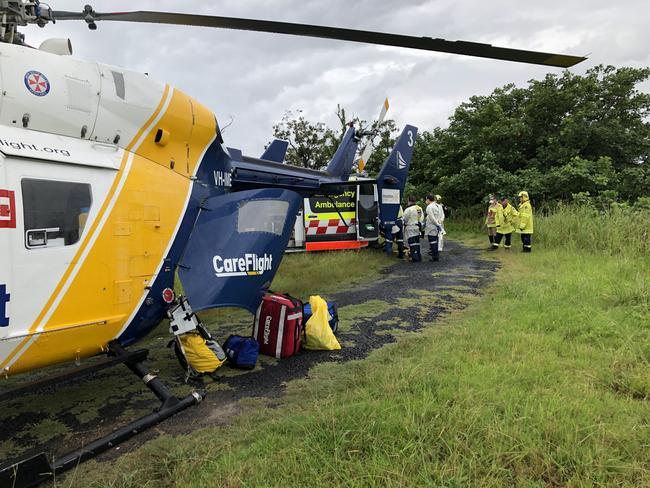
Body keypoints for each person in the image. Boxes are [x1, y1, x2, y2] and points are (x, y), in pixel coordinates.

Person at [402, 195, 424, 262]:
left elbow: (405, 219)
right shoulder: (419, 208)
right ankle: (419, 256)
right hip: (418, 227)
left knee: (412, 243)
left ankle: (414, 258)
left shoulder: (408, 209)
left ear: (409, 201)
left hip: (410, 227)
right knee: (417, 242)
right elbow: (422, 217)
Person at [425, 194, 444, 261]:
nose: (425, 201)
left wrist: (437, 224)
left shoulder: (429, 207)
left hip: (432, 226)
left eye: (426, 199)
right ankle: (436, 256)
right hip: (439, 225)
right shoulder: (439, 206)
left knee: (433, 242)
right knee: (437, 241)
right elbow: (442, 215)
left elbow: (432, 217)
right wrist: (440, 222)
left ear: (428, 199)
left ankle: (435, 257)